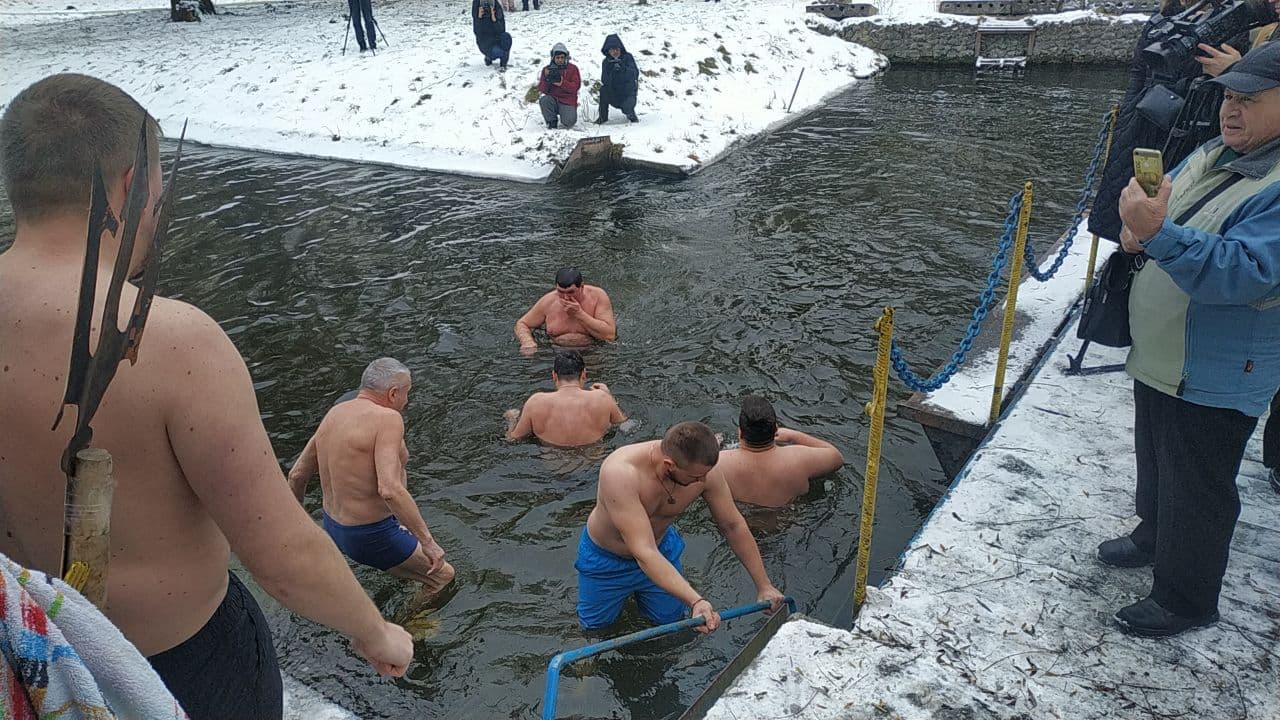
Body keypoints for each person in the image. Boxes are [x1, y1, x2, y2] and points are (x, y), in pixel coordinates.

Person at [0, 74, 411, 720]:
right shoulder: (171, 342)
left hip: (28, 663)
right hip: (177, 673)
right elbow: (278, 552)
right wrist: (375, 631)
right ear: (132, 187)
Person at [1101, 41, 1280, 638]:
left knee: (1199, 483)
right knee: (1155, 455)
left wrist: (1157, 235)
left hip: (1214, 368)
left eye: (1249, 99)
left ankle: (1187, 597)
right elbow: (1164, 205)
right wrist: (1138, 228)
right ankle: (1153, 533)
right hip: (1163, 354)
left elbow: (1244, 272)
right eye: (1229, 95)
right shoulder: (1215, 149)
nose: (1231, 110)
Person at [575, 422, 785, 631]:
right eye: (695, 477)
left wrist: (764, 585)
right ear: (669, 465)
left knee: (672, 624)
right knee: (596, 629)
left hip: (661, 550)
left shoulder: (704, 472)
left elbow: (732, 525)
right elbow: (643, 551)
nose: (703, 480)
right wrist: (696, 601)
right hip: (606, 561)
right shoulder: (620, 472)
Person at [289, 358, 456, 618]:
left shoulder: (336, 413)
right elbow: (389, 489)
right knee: (443, 576)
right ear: (392, 393)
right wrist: (429, 542)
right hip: (370, 534)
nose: (407, 401)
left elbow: (297, 475)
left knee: (410, 571)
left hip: (334, 527)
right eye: (407, 393)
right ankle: (405, 631)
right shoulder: (388, 419)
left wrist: (299, 527)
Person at [716, 395, 844, 508]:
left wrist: (712, 449)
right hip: (790, 527)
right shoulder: (800, 459)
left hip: (743, 526)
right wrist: (794, 436)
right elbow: (837, 457)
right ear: (776, 429)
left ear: (741, 433)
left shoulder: (719, 464)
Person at [504, 349, 627, 446]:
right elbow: (625, 425)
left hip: (554, 471)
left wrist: (512, 420)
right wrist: (610, 397)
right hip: (592, 466)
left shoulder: (535, 402)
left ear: (554, 375)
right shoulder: (602, 398)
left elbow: (513, 439)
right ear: (584, 374)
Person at [514, 267, 616, 354]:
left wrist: (579, 314)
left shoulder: (598, 296)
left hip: (594, 351)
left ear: (581, 287)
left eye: (571, 292)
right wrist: (527, 342)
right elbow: (522, 324)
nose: (566, 297)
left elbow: (610, 335)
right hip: (556, 351)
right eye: (561, 292)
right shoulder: (548, 301)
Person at [596, 34, 640, 124]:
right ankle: (603, 117)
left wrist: (623, 69)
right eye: (612, 50)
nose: (615, 52)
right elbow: (604, 80)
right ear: (608, 51)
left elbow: (635, 73)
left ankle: (631, 114)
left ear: (620, 49)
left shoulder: (628, 57)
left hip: (628, 93)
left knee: (627, 108)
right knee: (603, 90)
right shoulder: (606, 62)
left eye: (616, 49)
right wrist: (612, 72)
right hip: (615, 93)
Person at [538, 43, 581, 130]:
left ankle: (565, 116)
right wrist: (547, 79)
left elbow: (575, 87)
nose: (560, 60)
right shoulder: (547, 69)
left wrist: (562, 83)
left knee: (569, 122)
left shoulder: (573, 69)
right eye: (557, 58)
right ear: (553, 58)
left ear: (566, 57)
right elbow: (542, 89)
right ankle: (551, 121)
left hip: (567, 100)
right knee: (544, 100)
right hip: (553, 99)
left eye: (562, 57)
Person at [472, 0, 512, 71]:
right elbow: (477, 32)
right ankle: (489, 57)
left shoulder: (496, 6)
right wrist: (479, 18)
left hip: (497, 39)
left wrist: (494, 19)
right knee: (498, 52)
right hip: (485, 42)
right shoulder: (477, 4)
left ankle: (503, 63)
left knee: (506, 37)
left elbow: (502, 30)